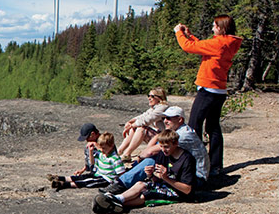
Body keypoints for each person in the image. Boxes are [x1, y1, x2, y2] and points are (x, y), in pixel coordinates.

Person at [174, 15, 242, 176]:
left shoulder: (219, 43)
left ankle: (195, 164)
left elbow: (188, 47)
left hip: (208, 89)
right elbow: (202, 46)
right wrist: (190, 35)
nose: (212, 29)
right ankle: (216, 165)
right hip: (219, 90)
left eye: (214, 26)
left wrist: (179, 33)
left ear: (221, 28)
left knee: (193, 127)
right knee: (213, 127)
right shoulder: (228, 43)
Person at [100, 106, 208, 194]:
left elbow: (150, 151)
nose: (165, 121)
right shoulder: (178, 129)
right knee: (153, 155)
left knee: (151, 160)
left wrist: (139, 158)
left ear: (180, 119)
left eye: (169, 118)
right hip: (183, 171)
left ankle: (121, 184)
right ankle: (125, 180)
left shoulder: (182, 135)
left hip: (196, 178)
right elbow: (157, 142)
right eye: (164, 118)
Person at [93, 130, 196, 214]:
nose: (163, 150)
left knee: (146, 195)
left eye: (166, 147)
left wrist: (165, 178)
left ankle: (113, 204)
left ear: (176, 144)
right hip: (165, 185)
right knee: (140, 184)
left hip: (178, 193)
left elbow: (187, 189)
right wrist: (150, 175)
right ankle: (116, 199)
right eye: (161, 146)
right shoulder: (163, 154)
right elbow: (157, 179)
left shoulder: (187, 160)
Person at [48, 132, 125, 189]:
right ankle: (60, 178)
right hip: (98, 173)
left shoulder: (114, 159)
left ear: (111, 146)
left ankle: (63, 185)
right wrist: (91, 152)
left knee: (87, 182)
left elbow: (121, 173)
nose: (101, 150)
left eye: (104, 148)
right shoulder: (101, 154)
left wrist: (117, 183)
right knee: (82, 177)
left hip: (106, 179)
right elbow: (92, 163)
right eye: (100, 148)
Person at [117, 87, 169, 161]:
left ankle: (127, 154)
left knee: (142, 128)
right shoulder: (154, 108)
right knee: (134, 128)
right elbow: (143, 116)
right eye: (149, 96)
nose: (149, 98)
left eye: (152, 96)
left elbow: (148, 119)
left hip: (162, 137)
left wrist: (132, 125)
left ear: (159, 98)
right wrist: (130, 122)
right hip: (156, 136)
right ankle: (120, 151)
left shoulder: (163, 108)